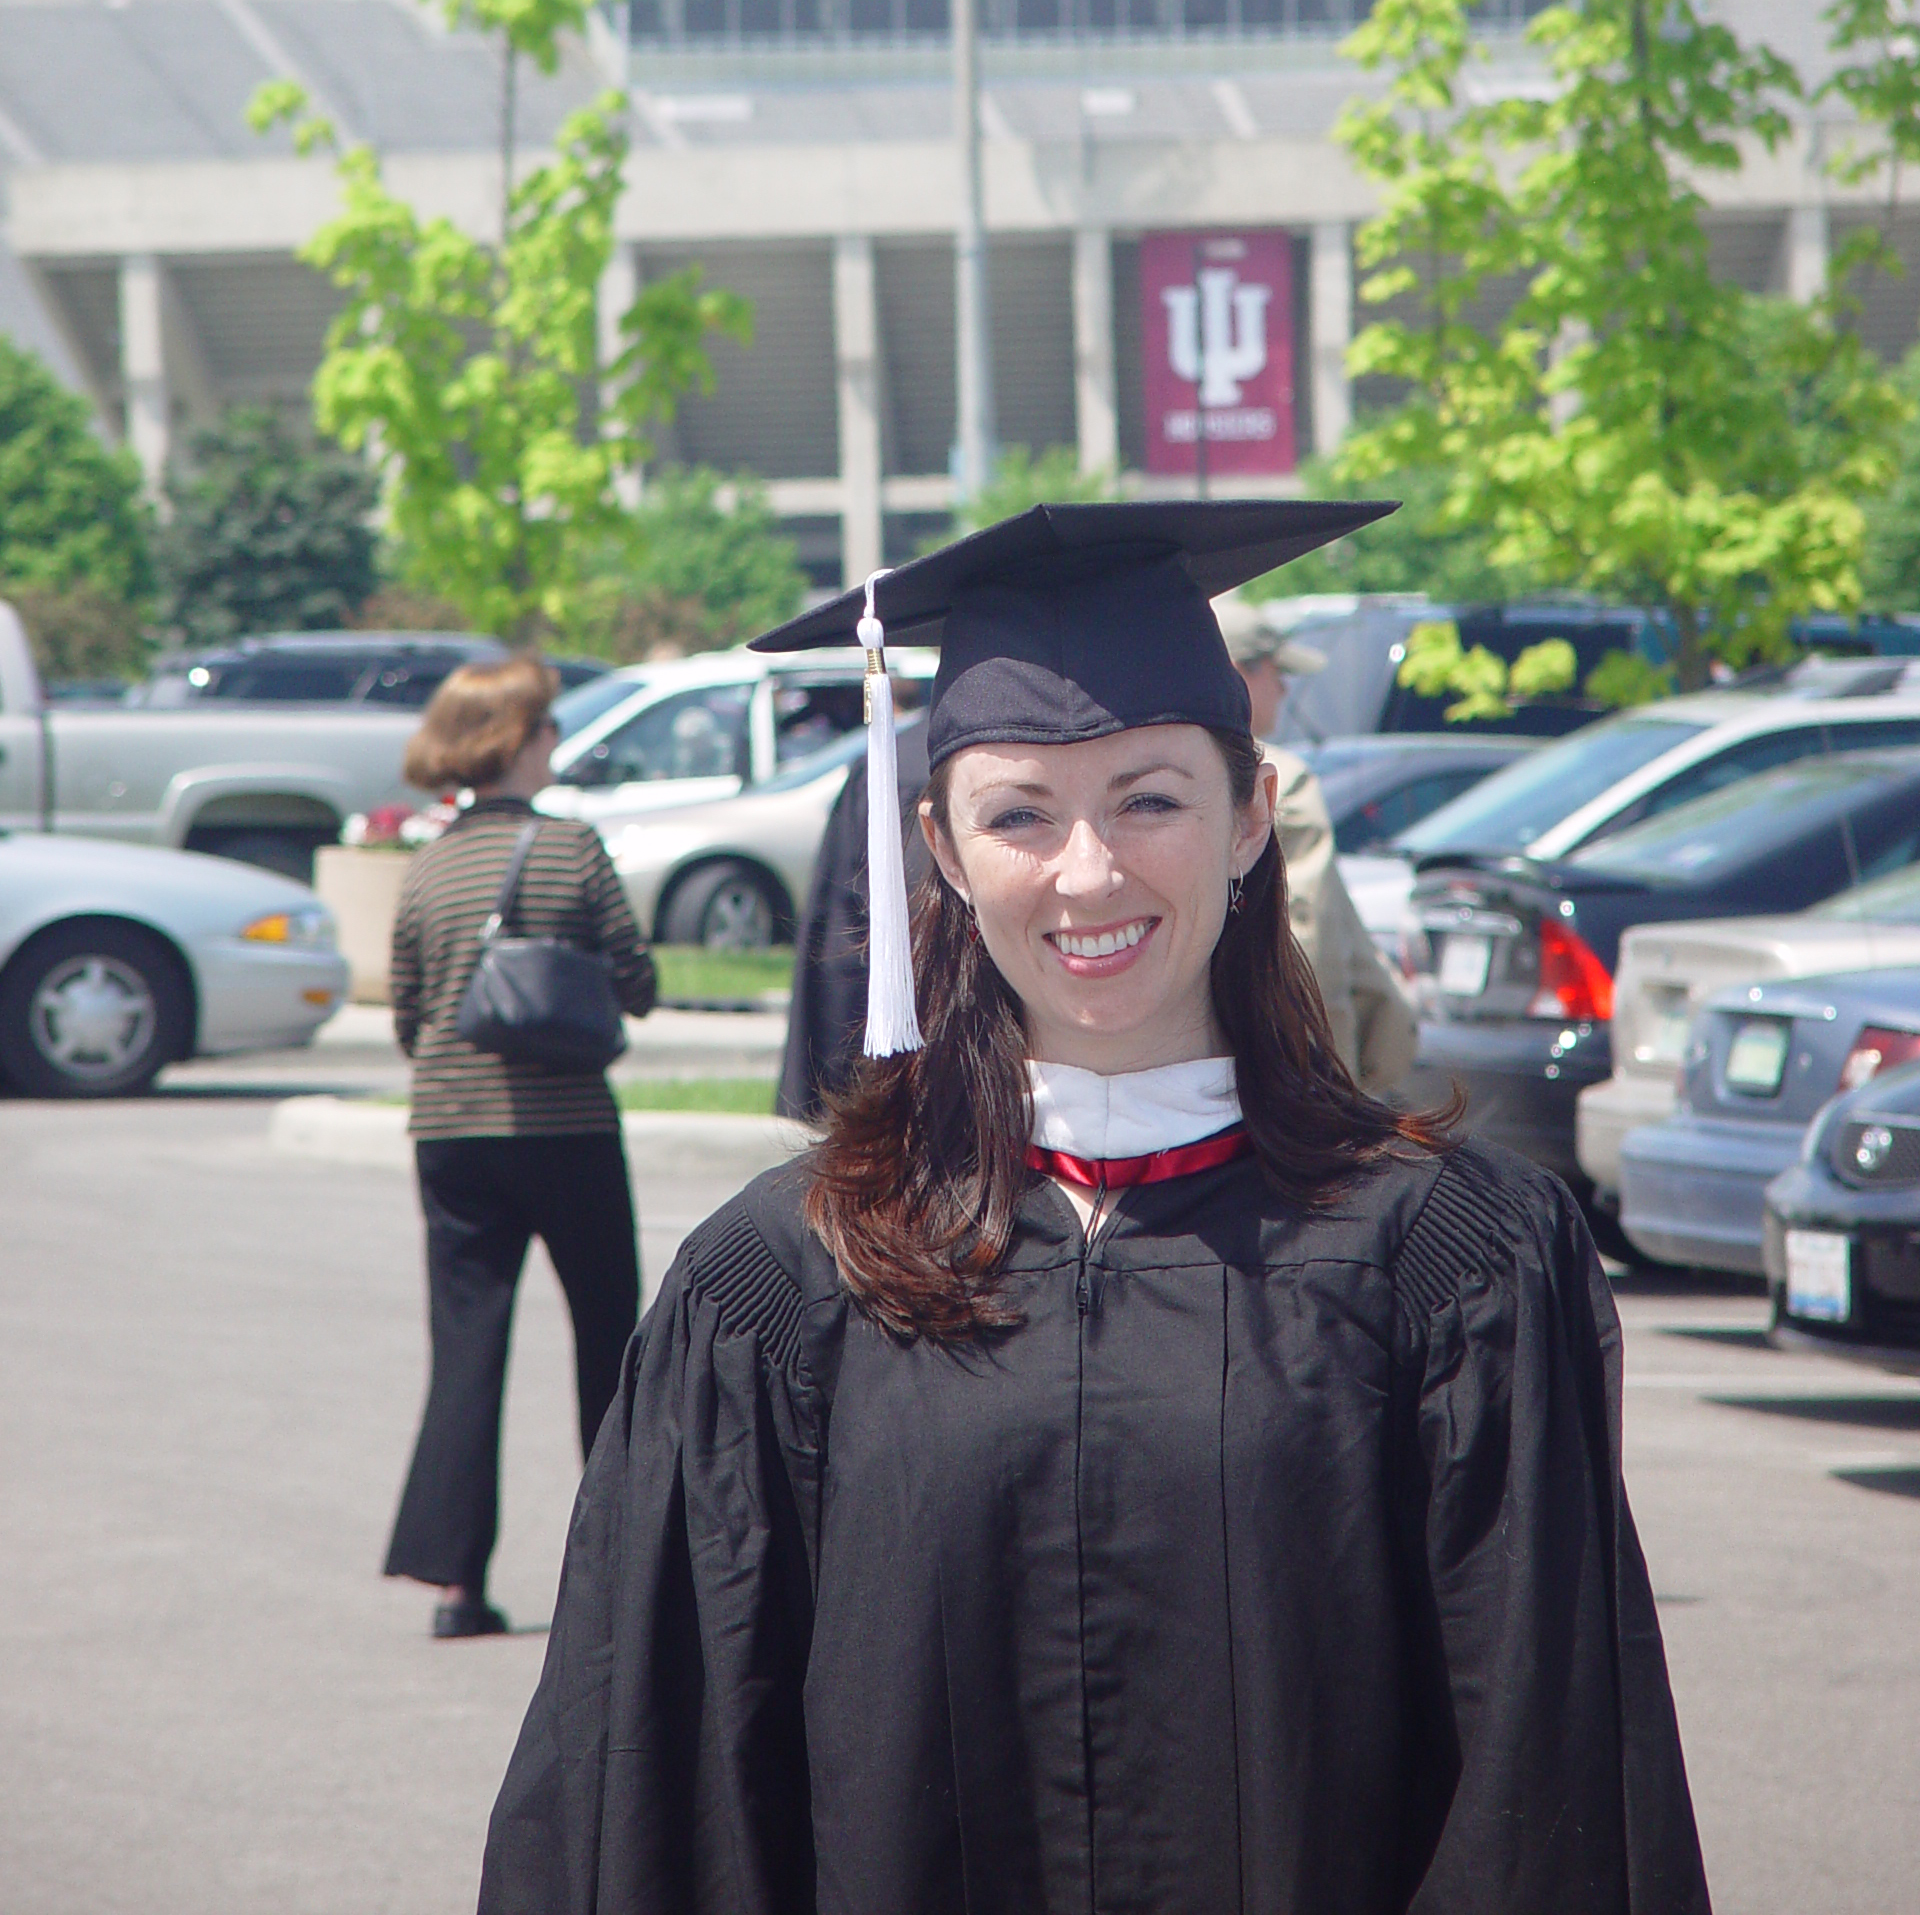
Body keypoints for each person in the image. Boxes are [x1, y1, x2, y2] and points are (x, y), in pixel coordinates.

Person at [480, 500, 1708, 1913]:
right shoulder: (781, 1285)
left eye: (1150, 798)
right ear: (939, 846)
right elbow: (664, 1796)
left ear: (1252, 818)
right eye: (1021, 812)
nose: (1088, 873)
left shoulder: (1451, 1264)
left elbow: (1541, 1792)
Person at [384, 656, 657, 1640]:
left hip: (450, 1133)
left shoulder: (427, 862)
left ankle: (456, 1583)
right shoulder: (571, 848)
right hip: (566, 1130)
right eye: (545, 731)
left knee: (465, 1348)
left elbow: (411, 1014)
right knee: (607, 1337)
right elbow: (635, 978)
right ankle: (622, 1569)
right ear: (516, 741)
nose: (553, 746)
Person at [1215, 594, 1418, 1097]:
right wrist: (1321, 1083)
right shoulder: (1279, 777)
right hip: (1283, 1075)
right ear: (1238, 673)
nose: (1285, 688)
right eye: (1276, 672)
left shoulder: (1147, 769)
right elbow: (1308, 941)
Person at [777, 700, 930, 1121]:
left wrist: (833, 1092)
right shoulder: (891, 770)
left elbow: (842, 953)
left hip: (915, 1098)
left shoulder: (896, 766)